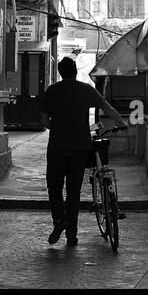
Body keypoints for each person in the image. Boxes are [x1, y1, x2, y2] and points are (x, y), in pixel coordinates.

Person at [39, 57, 127, 246]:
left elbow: (45, 122)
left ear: (60, 72)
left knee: (54, 187)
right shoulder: (85, 89)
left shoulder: (52, 90)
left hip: (57, 147)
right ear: (75, 71)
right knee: (74, 191)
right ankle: (72, 235)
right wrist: (121, 122)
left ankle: (59, 220)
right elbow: (107, 107)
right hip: (80, 146)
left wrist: (58, 127)